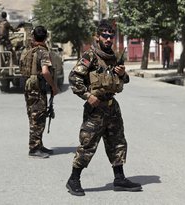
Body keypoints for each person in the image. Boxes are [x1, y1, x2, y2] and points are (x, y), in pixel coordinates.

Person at [66, 20, 142, 196]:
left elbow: (123, 80)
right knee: (88, 145)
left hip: (111, 107)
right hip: (96, 107)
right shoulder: (90, 56)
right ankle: (73, 180)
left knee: (117, 143)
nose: (108, 39)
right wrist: (88, 96)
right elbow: (73, 78)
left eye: (111, 36)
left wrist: (122, 74)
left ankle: (120, 178)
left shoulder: (112, 57)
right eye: (105, 36)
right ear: (97, 37)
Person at [22, 25, 59, 159]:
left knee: (36, 117)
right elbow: (45, 71)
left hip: (29, 88)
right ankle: (34, 148)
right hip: (37, 89)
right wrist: (54, 86)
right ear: (46, 37)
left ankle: (39, 145)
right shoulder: (42, 52)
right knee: (37, 119)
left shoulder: (28, 50)